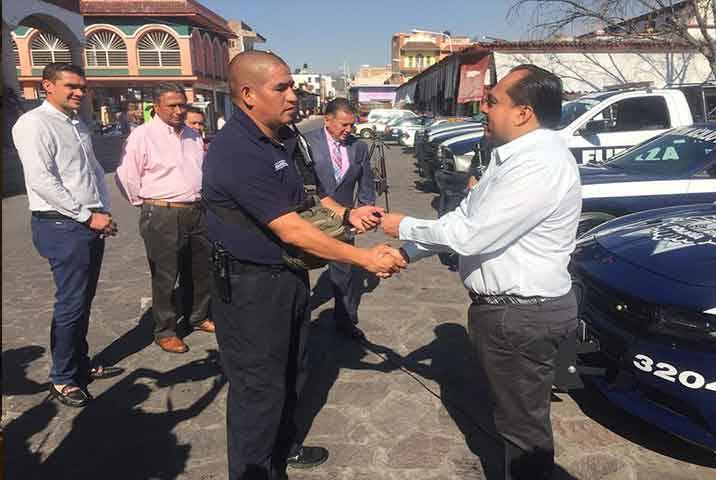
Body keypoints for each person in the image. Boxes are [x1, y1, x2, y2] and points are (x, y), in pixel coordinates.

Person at [202, 50, 406, 480]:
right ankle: (256, 471)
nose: (293, 96)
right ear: (248, 94)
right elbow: (292, 228)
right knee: (259, 390)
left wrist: (346, 214)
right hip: (250, 287)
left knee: (294, 371)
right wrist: (363, 257)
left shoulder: (282, 138)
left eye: (292, 86)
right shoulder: (237, 150)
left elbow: (308, 199)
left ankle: (284, 450)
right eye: (281, 88)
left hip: (287, 277)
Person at [381, 65, 581, 480]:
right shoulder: (512, 159)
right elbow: (464, 220)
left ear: (523, 113)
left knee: (523, 432)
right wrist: (405, 253)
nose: (483, 108)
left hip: (521, 314)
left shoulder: (538, 164)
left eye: (492, 101)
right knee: (513, 419)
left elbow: (469, 236)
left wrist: (402, 225)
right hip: (509, 313)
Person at [11, 62, 121, 408]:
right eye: (71, 86)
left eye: (82, 87)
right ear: (47, 85)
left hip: (88, 221)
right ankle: (61, 378)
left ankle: (79, 363)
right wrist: (88, 216)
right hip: (62, 225)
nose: (79, 92)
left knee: (83, 300)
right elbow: (42, 180)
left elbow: (92, 172)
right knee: (71, 303)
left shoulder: (76, 123)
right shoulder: (33, 124)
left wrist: (102, 210)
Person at [115, 83, 214, 354]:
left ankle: (198, 316)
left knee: (201, 269)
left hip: (197, 211)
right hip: (162, 213)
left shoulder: (193, 135)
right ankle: (166, 330)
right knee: (165, 275)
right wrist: (148, 204)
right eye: (172, 105)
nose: (178, 110)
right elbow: (127, 175)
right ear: (156, 107)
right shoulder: (143, 136)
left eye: (182, 105)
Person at [304, 98, 375, 339]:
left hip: (345, 219)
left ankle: (345, 320)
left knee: (344, 273)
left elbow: (366, 183)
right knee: (299, 271)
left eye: (352, 125)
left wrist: (365, 210)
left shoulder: (359, 147)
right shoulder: (306, 143)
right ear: (327, 120)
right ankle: (298, 321)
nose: (349, 130)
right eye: (344, 124)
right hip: (309, 218)